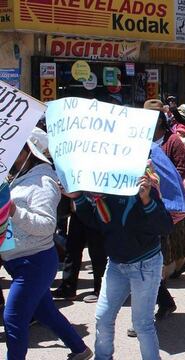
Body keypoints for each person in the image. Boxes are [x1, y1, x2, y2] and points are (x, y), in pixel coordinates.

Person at [4, 128, 93, 360]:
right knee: (46, 312)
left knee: (13, 317)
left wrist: (13, 210)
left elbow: (45, 225)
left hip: (34, 262)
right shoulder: (16, 177)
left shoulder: (43, 180)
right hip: (17, 260)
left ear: (28, 151)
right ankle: (80, 349)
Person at [70, 160, 173, 359]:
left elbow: (165, 227)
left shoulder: (145, 184)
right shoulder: (104, 190)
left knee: (142, 325)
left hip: (146, 265)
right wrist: (79, 199)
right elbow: (96, 223)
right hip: (117, 264)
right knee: (103, 317)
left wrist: (146, 199)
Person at [147, 100, 185, 319]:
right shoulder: (140, 140)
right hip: (147, 201)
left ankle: (152, 306)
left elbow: (180, 169)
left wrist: (161, 179)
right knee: (153, 257)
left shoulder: (172, 140)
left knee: (163, 253)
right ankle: (161, 298)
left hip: (167, 203)